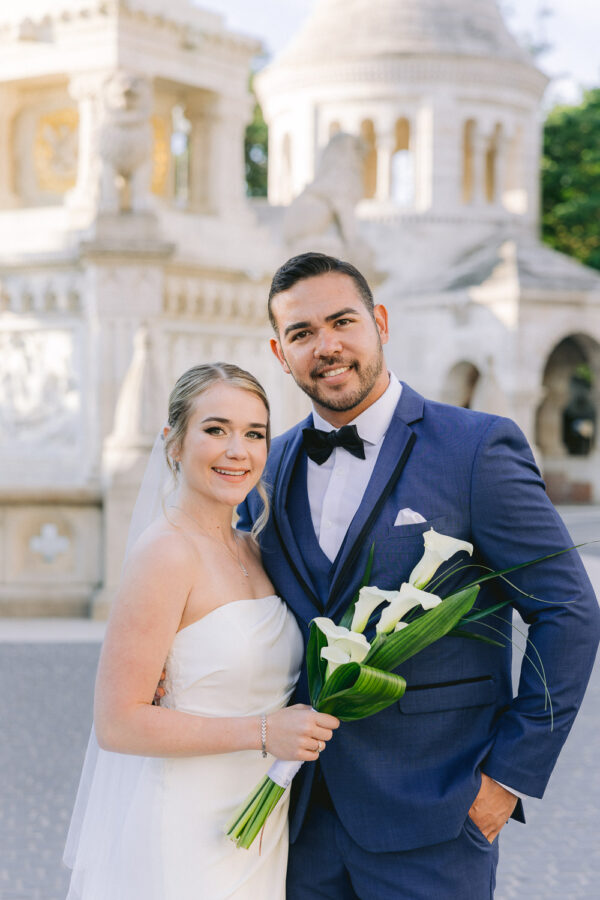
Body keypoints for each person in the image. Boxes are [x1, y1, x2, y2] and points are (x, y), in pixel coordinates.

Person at [237, 252, 600, 900]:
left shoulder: (476, 449)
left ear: (379, 321)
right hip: (298, 828)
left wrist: (506, 781)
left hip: (436, 821)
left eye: (342, 321)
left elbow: (568, 609)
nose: (327, 346)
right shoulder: (269, 465)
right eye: (302, 333)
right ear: (279, 350)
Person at [64, 362, 339, 900]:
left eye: (254, 434)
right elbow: (117, 724)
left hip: (256, 826)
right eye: (216, 430)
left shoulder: (256, 550)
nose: (238, 450)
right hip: (184, 827)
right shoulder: (165, 553)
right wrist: (263, 732)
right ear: (173, 444)